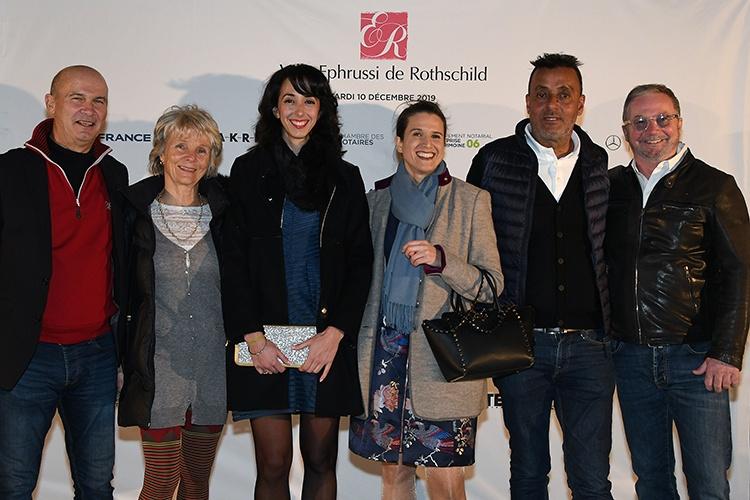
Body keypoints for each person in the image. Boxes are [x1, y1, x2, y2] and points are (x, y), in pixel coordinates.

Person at [222, 63, 373, 500]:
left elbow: (361, 263)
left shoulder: (345, 178)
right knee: (272, 465)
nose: (299, 110)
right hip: (264, 341)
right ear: (274, 108)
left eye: (310, 100)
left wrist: (336, 334)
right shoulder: (247, 170)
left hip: (323, 344)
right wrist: (253, 338)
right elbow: (233, 261)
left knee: (321, 460)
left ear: (322, 109)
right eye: (289, 100)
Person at [467, 53, 613, 499]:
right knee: (529, 474)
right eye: (542, 94)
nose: (553, 105)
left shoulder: (599, 163)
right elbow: (471, 244)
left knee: (591, 479)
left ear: (580, 104)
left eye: (564, 95)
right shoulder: (495, 160)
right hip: (519, 345)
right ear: (528, 101)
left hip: (590, 348)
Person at [349, 100, 503, 500]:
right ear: (400, 143)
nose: (427, 143)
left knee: (446, 482)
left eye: (436, 135)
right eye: (416, 134)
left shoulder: (471, 200)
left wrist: (443, 261)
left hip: (443, 362)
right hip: (383, 357)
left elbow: (491, 286)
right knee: (394, 476)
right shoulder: (375, 202)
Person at [606, 84, 750, 500]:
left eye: (662, 118)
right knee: (651, 481)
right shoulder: (610, 187)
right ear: (626, 131)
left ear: (679, 123)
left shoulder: (715, 186)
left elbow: (739, 272)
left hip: (697, 359)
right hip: (630, 358)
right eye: (640, 121)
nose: (652, 129)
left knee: (708, 483)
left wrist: (727, 352)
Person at [0, 65, 128, 499]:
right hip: (26, 357)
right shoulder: (11, 171)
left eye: (99, 101)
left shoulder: (115, 174)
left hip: (97, 355)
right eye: (77, 98)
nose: (89, 110)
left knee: (97, 486)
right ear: (51, 104)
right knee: (13, 485)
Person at [117, 105, 228, 499]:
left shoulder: (226, 213)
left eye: (201, 150)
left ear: (212, 158)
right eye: (180, 146)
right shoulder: (132, 212)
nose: (190, 157)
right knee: (161, 481)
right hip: (156, 369)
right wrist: (120, 361)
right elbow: (120, 293)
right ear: (161, 152)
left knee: (196, 482)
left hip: (213, 369)